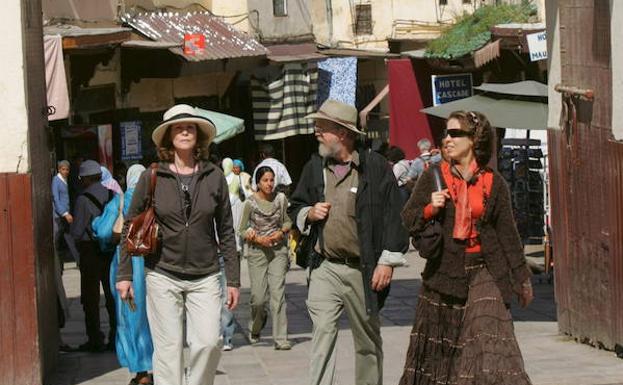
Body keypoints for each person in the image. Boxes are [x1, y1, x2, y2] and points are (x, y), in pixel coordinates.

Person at [399, 111, 534, 385]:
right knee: (442, 357)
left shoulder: (493, 182)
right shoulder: (434, 176)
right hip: (443, 275)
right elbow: (407, 218)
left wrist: (522, 278)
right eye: (446, 133)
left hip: (486, 271)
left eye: (455, 133)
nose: (447, 139)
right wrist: (429, 208)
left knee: (489, 344)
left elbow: (507, 233)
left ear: (474, 140)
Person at [115, 104, 240, 385]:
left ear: (199, 135)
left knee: (209, 343)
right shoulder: (153, 176)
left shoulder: (214, 176)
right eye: (178, 127)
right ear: (168, 136)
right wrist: (124, 276)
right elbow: (129, 226)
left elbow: (227, 231)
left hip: (206, 274)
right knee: (169, 351)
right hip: (161, 274)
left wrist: (233, 278)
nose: (185, 131)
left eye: (190, 127)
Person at [288, 99, 408, 385]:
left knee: (367, 341)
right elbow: (296, 204)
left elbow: (395, 215)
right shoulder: (315, 165)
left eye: (322, 126)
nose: (316, 131)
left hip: (362, 269)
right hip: (325, 267)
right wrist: (309, 213)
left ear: (342, 133)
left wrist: (388, 261)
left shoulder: (375, 167)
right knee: (322, 335)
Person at [109, 164, 154, 385]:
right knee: (151, 317)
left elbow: (103, 229)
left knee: (130, 316)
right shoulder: (153, 197)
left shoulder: (123, 198)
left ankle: (140, 371)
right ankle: (153, 367)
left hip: (126, 263)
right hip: (151, 262)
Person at [239, 166, 292, 350]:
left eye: (271, 180)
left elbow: (287, 221)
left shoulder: (281, 199)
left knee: (278, 294)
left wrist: (281, 232)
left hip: (278, 252)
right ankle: (256, 326)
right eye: (265, 180)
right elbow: (241, 229)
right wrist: (255, 237)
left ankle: (281, 338)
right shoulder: (250, 203)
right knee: (258, 298)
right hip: (257, 253)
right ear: (258, 183)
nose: (269, 184)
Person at [70, 160, 117, 352]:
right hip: (109, 250)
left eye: (82, 178)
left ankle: (95, 338)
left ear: (87, 178)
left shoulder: (82, 199)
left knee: (90, 298)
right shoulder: (111, 193)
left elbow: (77, 231)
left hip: (90, 250)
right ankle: (116, 336)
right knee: (112, 295)